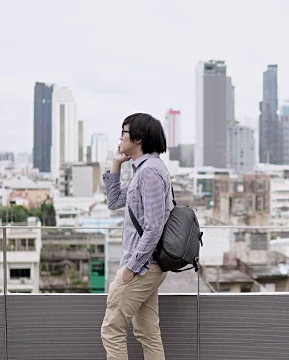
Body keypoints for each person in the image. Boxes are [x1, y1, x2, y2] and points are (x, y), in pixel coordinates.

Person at [101, 113, 173, 360]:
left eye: (124, 131)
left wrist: (130, 268)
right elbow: (113, 202)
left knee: (112, 329)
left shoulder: (150, 171)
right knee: (147, 332)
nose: (120, 136)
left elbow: (153, 226)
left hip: (142, 266)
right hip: (147, 265)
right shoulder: (142, 170)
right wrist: (116, 164)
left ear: (138, 138)